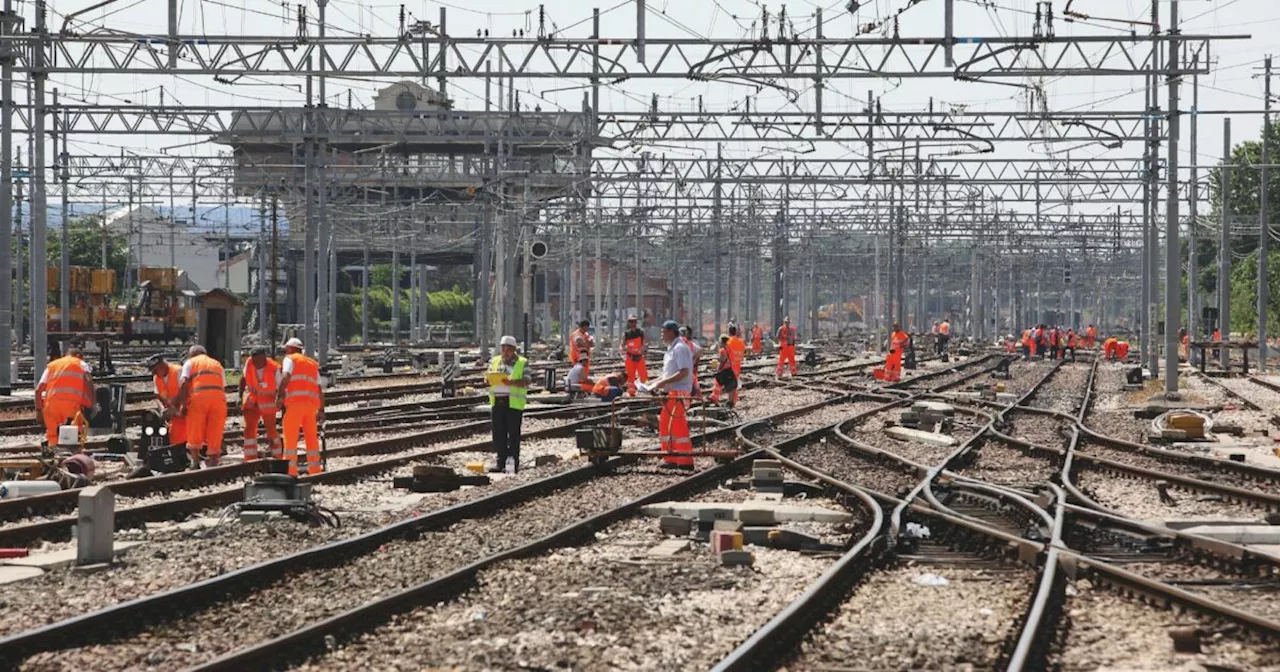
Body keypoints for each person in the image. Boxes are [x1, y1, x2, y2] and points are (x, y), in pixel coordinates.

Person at [649, 320, 694, 471]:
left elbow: (684, 372)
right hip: (671, 392)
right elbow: (670, 372)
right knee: (666, 424)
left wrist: (663, 382)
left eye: (663, 332)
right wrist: (655, 382)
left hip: (679, 392)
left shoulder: (680, 348)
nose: (661, 334)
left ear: (671, 332)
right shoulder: (672, 348)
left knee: (678, 425)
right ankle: (670, 457)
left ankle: (685, 460)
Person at [276, 338, 326, 476]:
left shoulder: (290, 359)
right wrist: (321, 409)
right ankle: (315, 469)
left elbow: (286, 376)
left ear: (290, 348)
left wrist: (279, 395)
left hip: (295, 404)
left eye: (286, 349)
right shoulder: (311, 364)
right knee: (311, 438)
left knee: (290, 438)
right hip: (310, 407)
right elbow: (319, 388)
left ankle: (290, 471)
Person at [173, 345, 227, 468]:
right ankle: (213, 461)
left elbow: (184, 383)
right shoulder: (217, 364)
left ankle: (195, 461)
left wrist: (182, 405)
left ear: (192, 354)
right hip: (218, 400)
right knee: (215, 429)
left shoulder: (190, 363)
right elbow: (223, 385)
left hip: (198, 399)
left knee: (195, 428)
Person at [35, 345, 95, 448]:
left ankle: (53, 456)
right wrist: (92, 404)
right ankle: (70, 458)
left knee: (53, 435)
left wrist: (39, 411)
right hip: (71, 406)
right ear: (78, 355)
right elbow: (89, 382)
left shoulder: (52, 365)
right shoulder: (80, 363)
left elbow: (38, 390)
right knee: (71, 436)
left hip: (51, 405)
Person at [487, 335, 530, 474]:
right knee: (498, 434)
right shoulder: (495, 361)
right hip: (497, 402)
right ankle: (501, 462)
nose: (505, 352)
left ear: (513, 349)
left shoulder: (522, 362)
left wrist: (511, 383)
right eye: (503, 349)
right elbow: (488, 375)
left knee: (513, 434)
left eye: (508, 349)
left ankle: (512, 464)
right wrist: (487, 380)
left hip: (513, 404)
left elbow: (527, 380)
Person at [239, 346, 281, 461]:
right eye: (255, 360)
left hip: (268, 402)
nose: (257, 363)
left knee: (271, 429)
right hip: (252, 400)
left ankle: (277, 455)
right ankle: (250, 457)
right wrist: (240, 396)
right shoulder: (249, 364)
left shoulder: (274, 368)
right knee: (249, 429)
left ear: (265, 358)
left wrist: (281, 401)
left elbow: (280, 388)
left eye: (259, 360)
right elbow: (243, 379)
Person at [144, 353, 187, 449]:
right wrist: (162, 409)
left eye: (155, 370)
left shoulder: (178, 371)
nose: (154, 373)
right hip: (174, 414)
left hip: (185, 411)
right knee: (176, 439)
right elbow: (158, 396)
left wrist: (174, 406)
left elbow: (184, 391)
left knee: (190, 436)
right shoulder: (157, 378)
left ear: (161, 365)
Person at [709, 334, 740, 406]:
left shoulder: (722, 350)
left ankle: (714, 398)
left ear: (721, 341)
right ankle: (730, 401)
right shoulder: (730, 348)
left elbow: (722, 360)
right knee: (731, 386)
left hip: (724, 370)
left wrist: (718, 368)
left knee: (718, 383)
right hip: (730, 369)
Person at [621, 315, 648, 396]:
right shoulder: (626, 334)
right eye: (631, 321)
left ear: (636, 322)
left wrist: (644, 349)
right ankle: (631, 392)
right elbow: (622, 345)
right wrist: (623, 349)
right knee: (630, 376)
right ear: (628, 323)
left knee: (643, 374)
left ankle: (645, 389)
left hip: (639, 357)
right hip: (630, 357)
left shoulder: (641, 332)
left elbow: (645, 343)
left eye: (634, 321)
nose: (632, 323)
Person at [680, 326, 703, 399]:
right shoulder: (689, 343)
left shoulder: (689, 343)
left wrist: (693, 360)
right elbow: (700, 351)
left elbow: (700, 351)